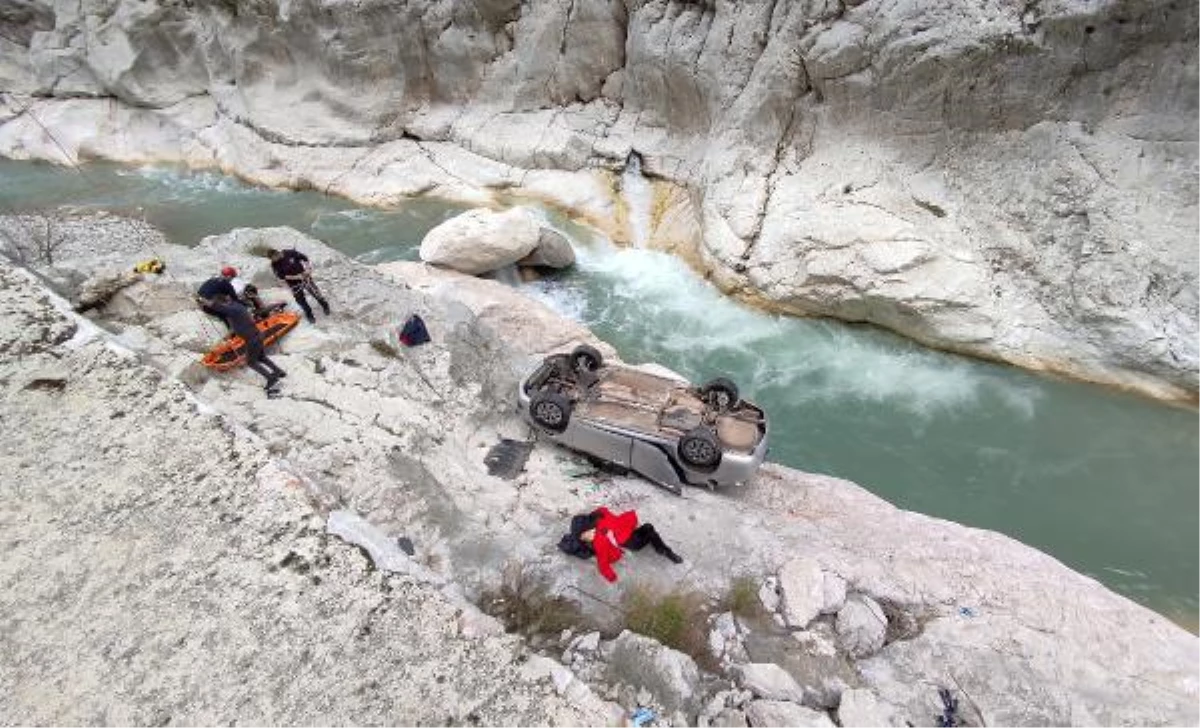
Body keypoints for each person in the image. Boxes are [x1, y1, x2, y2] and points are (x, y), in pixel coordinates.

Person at [558, 507, 682, 583]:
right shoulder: (599, 541)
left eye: (589, 531)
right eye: (586, 535)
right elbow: (603, 564)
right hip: (633, 543)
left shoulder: (598, 521)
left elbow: (602, 511)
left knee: (648, 528)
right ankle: (664, 551)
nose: (591, 533)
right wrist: (612, 577)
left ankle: (663, 549)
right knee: (649, 530)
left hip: (628, 532)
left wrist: (596, 514)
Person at [207, 294, 287, 392]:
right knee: (261, 357)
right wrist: (229, 335)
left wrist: (200, 300)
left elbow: (213, 305)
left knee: (251, 362)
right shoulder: (237, 306)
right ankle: (278, 371)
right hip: (258, 335)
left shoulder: (230, 309)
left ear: (223, 303)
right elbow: (236, 324)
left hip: (252, 339)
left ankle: (271, 378)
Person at [268, 247, 331, 324]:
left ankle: (325, 305)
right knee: (300, 300)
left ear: (277, 254)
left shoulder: (289, 252)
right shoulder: (274, 264)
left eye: (274, 258)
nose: (274, 261)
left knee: (315, 293)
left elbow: (304, 258)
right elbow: (283, 277)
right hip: (294, 284)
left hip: (305, 278)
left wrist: (308, 269)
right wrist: (297, 277)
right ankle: (309, 314)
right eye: (272, 260)